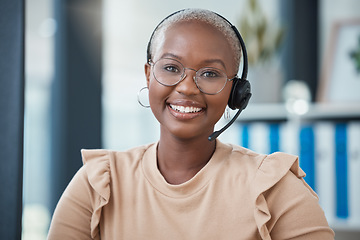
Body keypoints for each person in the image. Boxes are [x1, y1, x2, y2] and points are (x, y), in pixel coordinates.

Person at [47, 8, 335, 240]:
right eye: (171, 68)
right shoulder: (98, 183)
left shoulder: (274, 188)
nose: (187, 88)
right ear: (148, 75)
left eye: (210, 73)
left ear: (236, 93)